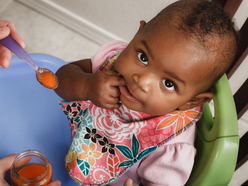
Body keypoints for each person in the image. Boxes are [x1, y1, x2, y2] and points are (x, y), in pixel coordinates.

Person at [55, 0, 239, 185]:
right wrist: (86, 85)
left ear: (191, 102)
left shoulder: (170, 148)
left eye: (168, 83)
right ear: (138, 33)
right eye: (143, 57)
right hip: (59, 140)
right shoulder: (110, 64)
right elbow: (58, 81)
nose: (141, 81)